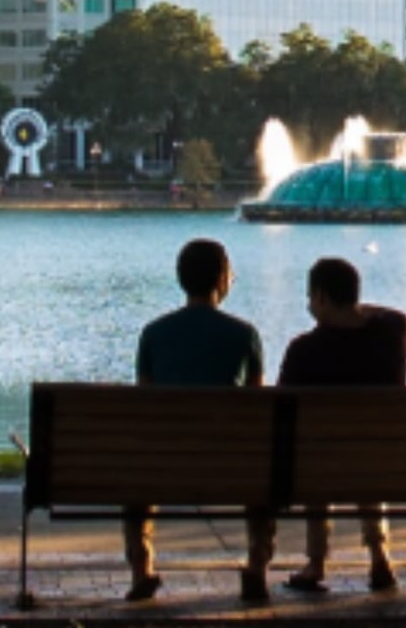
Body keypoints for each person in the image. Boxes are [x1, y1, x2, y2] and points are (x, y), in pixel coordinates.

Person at [126, 238, 275, 603]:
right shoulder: (245, 335)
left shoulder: (153, 334)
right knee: (264, 469)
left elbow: (145, 405)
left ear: (181, 279)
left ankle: (142, 568)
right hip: (231, 466)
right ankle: (256, 566)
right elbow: (257, 408)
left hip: (164, 466)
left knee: (135, 475)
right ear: (222, 279)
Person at [277, 257, 406, 594]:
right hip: (382, 458)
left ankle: (317, 562)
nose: (308, 305)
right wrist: (353, 308)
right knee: (366, 451)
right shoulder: (391, 334)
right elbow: (394, 315)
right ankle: (379, 555)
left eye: (310, 298)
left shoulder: (303, 351)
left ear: (321, 297)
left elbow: (281, 410)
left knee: (316, 449)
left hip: (320, 464)